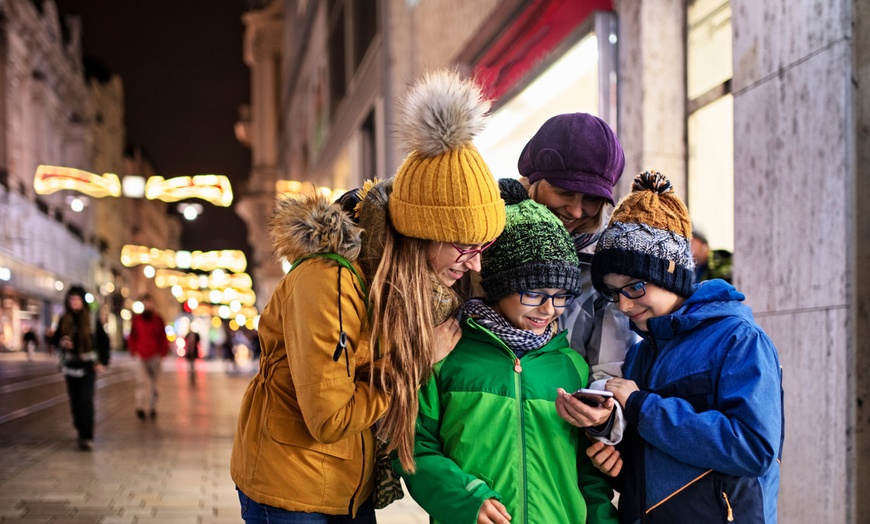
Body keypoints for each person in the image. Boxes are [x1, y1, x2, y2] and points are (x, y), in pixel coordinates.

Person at [230, 69, 506, 523]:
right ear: (421, 235)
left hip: (346, 486)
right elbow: (330, 419)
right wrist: (418, 359)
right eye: (465, 247)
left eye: (484, 247)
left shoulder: (411, 290)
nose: (474, 264)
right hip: (292, 490)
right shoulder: (328, 282)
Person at [398, 180, 617, 524]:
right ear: (500, 285)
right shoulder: (447, 354)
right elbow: (413, 446)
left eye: (561, 296)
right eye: (535, 293)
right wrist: (464, 499)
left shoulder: (571, 365)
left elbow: (588, 474)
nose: (549, 309)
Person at [587, 171, 783, 523]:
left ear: (671, 273)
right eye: (614, 293)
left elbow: (754, 449)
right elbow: (661, 460)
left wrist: (643, 406)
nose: (624, 305)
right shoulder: (641, 352)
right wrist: (616, 462)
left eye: (634, 287)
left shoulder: (738, 340)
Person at [514, 113, 636, 436]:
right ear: (533, 182)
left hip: (562, 439)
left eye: (592, 199)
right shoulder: (485, 243)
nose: (577, 210)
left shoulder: (605, 269)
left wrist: (605, 419)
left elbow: (609, 373)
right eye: (564, 192)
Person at [50, 285, 110, 450]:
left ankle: (87, 435)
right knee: (75, 401)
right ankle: (80, 429)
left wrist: (103, 361)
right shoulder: (64, 319)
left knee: (86, 400)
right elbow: (55, 339)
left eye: (77, 299)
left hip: (87, 366)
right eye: (71, 299)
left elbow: (104, 341)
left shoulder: (91, 319)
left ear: (82, 301)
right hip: (70, 366)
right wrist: (62, 341)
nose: (74, 302)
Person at [127, 294, 168, 420]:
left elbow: (163, 337)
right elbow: (132, 336)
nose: (147, 305)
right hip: (140, 354)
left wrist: (161, 353)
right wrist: (133, 350)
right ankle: (140, 407)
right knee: (140, 382)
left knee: (154, 383)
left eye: (149, 302)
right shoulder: (137, 319)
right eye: (145, 303)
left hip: (154, 355)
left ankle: (152, 407)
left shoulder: (158, 319)